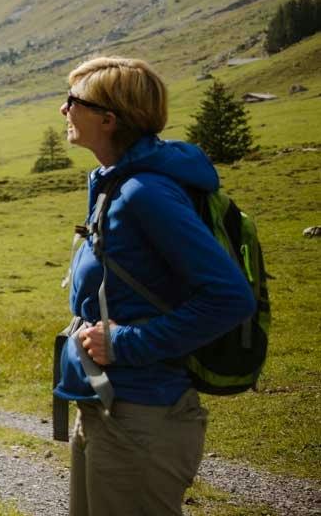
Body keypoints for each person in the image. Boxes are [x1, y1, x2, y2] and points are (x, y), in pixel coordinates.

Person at [53, 56, 256, 516]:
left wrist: (125, 343)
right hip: (108, 406)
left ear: (108, 119)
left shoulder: (145, 193)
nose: (64, 110)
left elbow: (229, 298)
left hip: (142, 416)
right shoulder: (115, 185)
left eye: (73, 101)